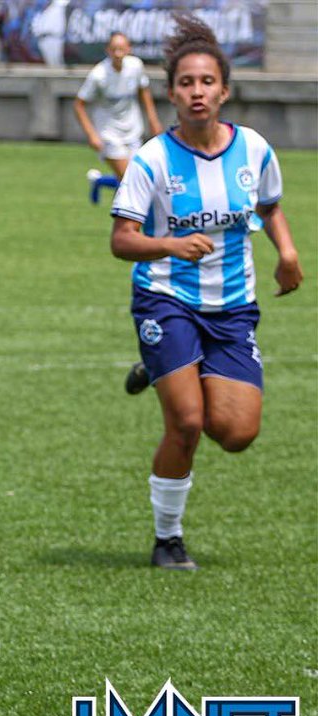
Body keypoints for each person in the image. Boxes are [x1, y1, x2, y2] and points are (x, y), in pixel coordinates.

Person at [109, 13, 302, 570]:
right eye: (187, 83)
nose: (198, 92)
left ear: (225, 90)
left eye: (207, 82)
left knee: (237, 433)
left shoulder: (255, 150)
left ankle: (167, 369)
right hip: (165, 299)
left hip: (234, 307)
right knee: (187, 422)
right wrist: (170, 246)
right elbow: (122, 241)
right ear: (171, 93)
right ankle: (167, 539)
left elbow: (269, 208)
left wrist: (286, 253)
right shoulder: (152, 158)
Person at [74, 31, 162, 205]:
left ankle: (100, 182)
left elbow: (143, 90)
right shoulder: (98, 75)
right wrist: (91, 134)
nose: (118, 54)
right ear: (108, 50)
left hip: (133, 130)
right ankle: (133, 227)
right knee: (132, 181)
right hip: (109, 133)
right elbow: (78, 105)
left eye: (121, 49)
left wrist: (153, 120)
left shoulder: (136, 66)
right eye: (114, 49)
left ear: (128, 49)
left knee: (134, 181)